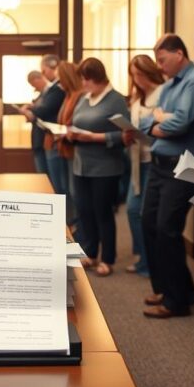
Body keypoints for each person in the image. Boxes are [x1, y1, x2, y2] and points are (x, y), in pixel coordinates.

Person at [137, 33, 194, 319]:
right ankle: (173, 288)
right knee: (149, 223)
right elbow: (148, 119)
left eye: (162, 59)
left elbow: (180, 124)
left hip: (183, 165)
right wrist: (158, 120)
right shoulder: (171, 85)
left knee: (167, 229)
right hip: (160, 164)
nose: (159, 66)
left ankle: (177, 301)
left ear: (179, 54)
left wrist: (160, 119)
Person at [67, 57, 129, 276]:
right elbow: (76, 123)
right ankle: (90, 253)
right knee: (84, 210)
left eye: (86, 79)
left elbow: (126, 135)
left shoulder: (116, 100)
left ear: (97, 78)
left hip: (105, 167)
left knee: (103, 212)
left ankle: (108, 258)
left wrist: (94, 137)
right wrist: (70, 133)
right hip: (81, 165)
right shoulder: (85, 99)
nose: (83, 83)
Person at [123, 55, 164, 277]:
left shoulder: (162, 94)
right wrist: (127, 134)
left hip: (155, 160)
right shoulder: (136, 100)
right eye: (133, 75)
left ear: (149, 72)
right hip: (138, 161)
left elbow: (163, 129)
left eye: (140, 74)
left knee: (148, 215)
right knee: (131, 210)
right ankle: (143, 256)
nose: (137, 79)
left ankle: (150, 261)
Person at [20, 54, 66, 195]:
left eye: (44, 71)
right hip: (42, 139)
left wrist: (32, 111)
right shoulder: (46, 92)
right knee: (45, 180)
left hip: (50, 138)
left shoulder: (57, 89)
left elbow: (44, 111)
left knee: (53, 182)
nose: (44, 74)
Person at [55, 61, 84, 237]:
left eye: (61, 78)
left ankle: (78, 228)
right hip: (64, 146)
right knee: (67, 189)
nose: (59, 82)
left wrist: (63, 130)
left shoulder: (78, 95)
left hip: (74, 148)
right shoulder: (68, 95)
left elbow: (75, 121)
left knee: (75, 192)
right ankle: (72, 224)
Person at [22, 70, 50, 176]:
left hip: (44, 137)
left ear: (38, 79)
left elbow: (41, 112)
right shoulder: (41, 95)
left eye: (33, 84)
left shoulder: (51, 93)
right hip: (38, 137)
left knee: (45, 174)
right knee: (41, 172)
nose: (34, 88)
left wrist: (30, 112)